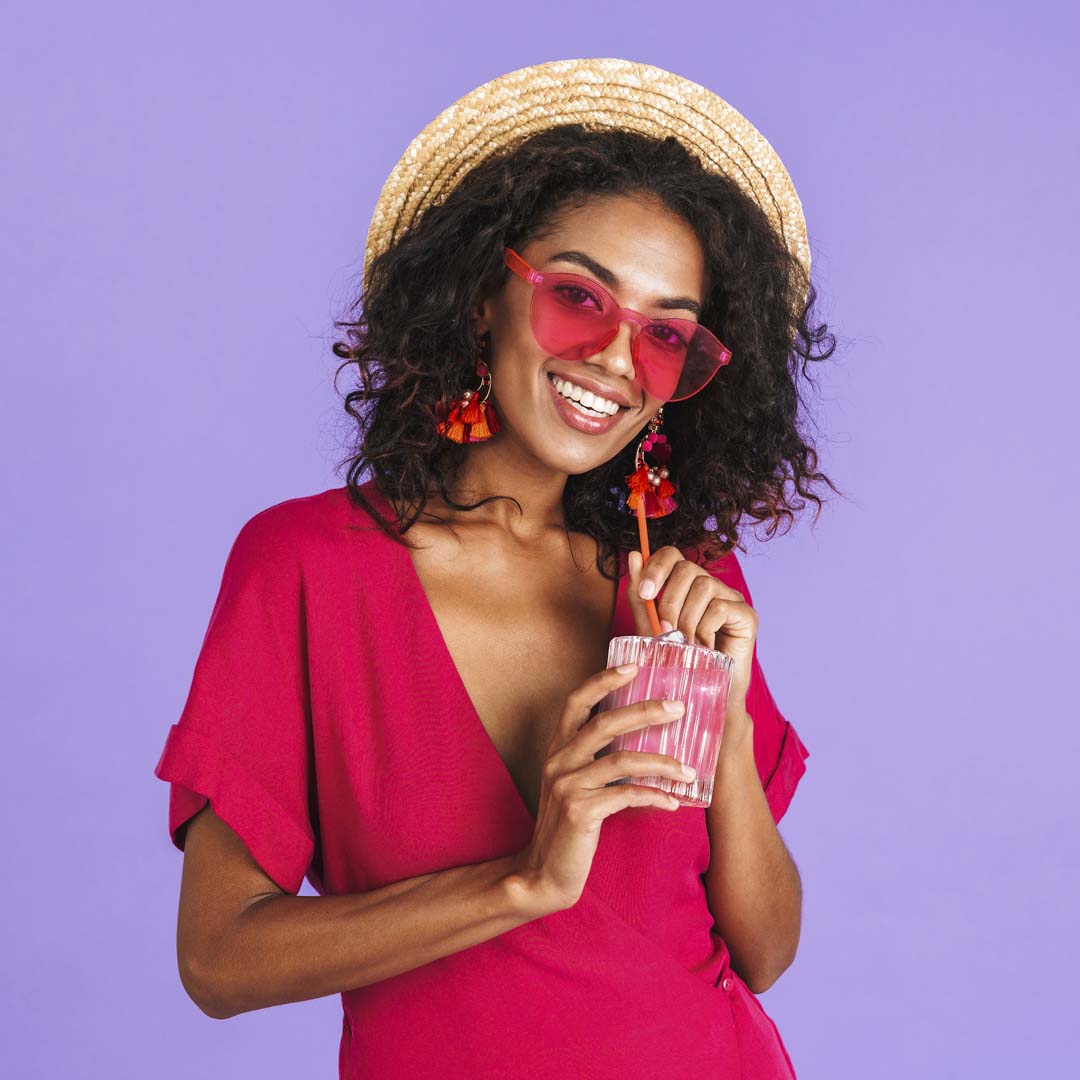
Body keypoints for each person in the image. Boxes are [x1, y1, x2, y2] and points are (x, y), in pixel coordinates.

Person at [154, 58, 837, 1078]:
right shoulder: (306, 568)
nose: (615, 357)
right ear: (483, 293)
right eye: (577, 297)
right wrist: (524, 881)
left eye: (664, 335)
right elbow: (218, 958)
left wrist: (729, 720)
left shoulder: (685, 584)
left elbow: (767, 953)